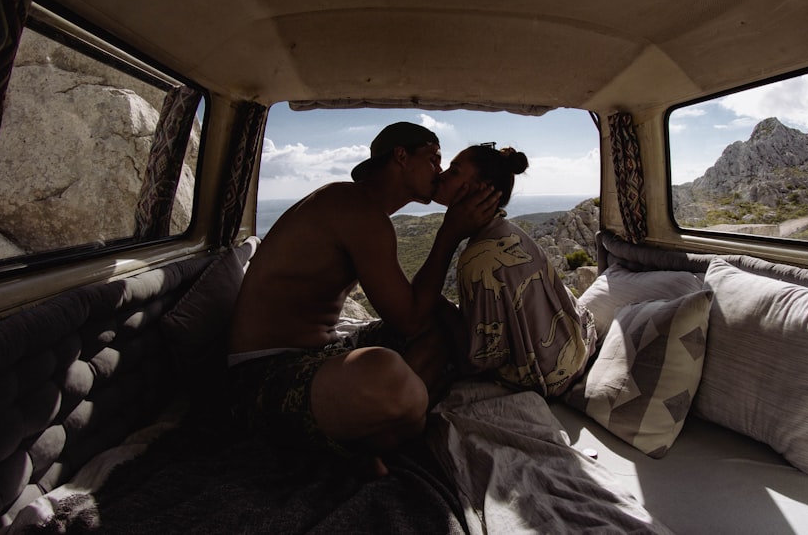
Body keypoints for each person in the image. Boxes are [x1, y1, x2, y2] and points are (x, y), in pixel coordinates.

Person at [227, 122, 500, 475]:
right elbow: (408, 319)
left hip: (321, 356)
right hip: (261, 377)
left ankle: (377, 431)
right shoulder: (353, 205)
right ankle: (384, 429)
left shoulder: (366, 210)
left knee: (437, 324)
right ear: (401, 156)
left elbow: (417, 312)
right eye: (433, 158)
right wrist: (449, 234)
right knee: (384, 373)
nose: (439, 171)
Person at [434, 143, 597, 397]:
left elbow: (479, 360)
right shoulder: (510, 232)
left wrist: (438, 305)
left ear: (481, 188)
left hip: (543, 380)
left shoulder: (479, 258)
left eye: (453, 171)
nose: (441, 175)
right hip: (575, 352)